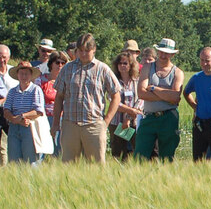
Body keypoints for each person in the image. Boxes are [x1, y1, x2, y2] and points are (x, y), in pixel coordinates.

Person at [54, 34, 122, 164]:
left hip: (94, 125)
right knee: (68, 166)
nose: (83, 54)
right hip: (70, 124)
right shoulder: (68, 68)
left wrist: (106, 122)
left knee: (96, 167)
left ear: (94, 49)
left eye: (87, 50)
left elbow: (116, 96)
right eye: (80, 50)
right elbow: (59, 97)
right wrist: (56, 123)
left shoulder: (102, 69)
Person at [134, 38, 183, 161]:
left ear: (172, 54)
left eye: (166, 53)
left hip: (168, 118)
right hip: (149, 117)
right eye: (161, 51)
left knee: (167, 157)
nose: (163, 55)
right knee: (140, 155)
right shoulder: (147, 68)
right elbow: (141, 93)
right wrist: (166, 95)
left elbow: (175, 98)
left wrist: (154, 88)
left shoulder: (177, 72)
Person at [3, 61, 46, 165]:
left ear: (31, 75)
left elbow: (38, 111)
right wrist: (15, 119)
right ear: (17, 75)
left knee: (31, 160)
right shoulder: (12, 91)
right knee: (14, 160)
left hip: (30, 126)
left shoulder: (36, 90)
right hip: (14, 127)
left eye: (26, 73)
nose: (24, 76)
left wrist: (22, 116)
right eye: (21, 73)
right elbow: (6, 110)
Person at [108, 52, 144, 161]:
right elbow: (113, 101)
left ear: (131, 65)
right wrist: (131, 110)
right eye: (120, 63)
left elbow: (141, 99)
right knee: (117, 155)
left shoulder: (137, 81)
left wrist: (128, 118)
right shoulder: (113, 81)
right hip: (116, 122)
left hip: (134, 123)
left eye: (125, 63)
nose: (122, 66)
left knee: (135, 153)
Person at [35, 51, 68, 158]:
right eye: (57, 62)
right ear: (51, 64)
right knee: (41, 149)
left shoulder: (67, 81)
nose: (60, 65)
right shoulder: (41, 80)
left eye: (63, 63)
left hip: (62, 118)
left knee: (59, 149)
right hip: (44, 118)